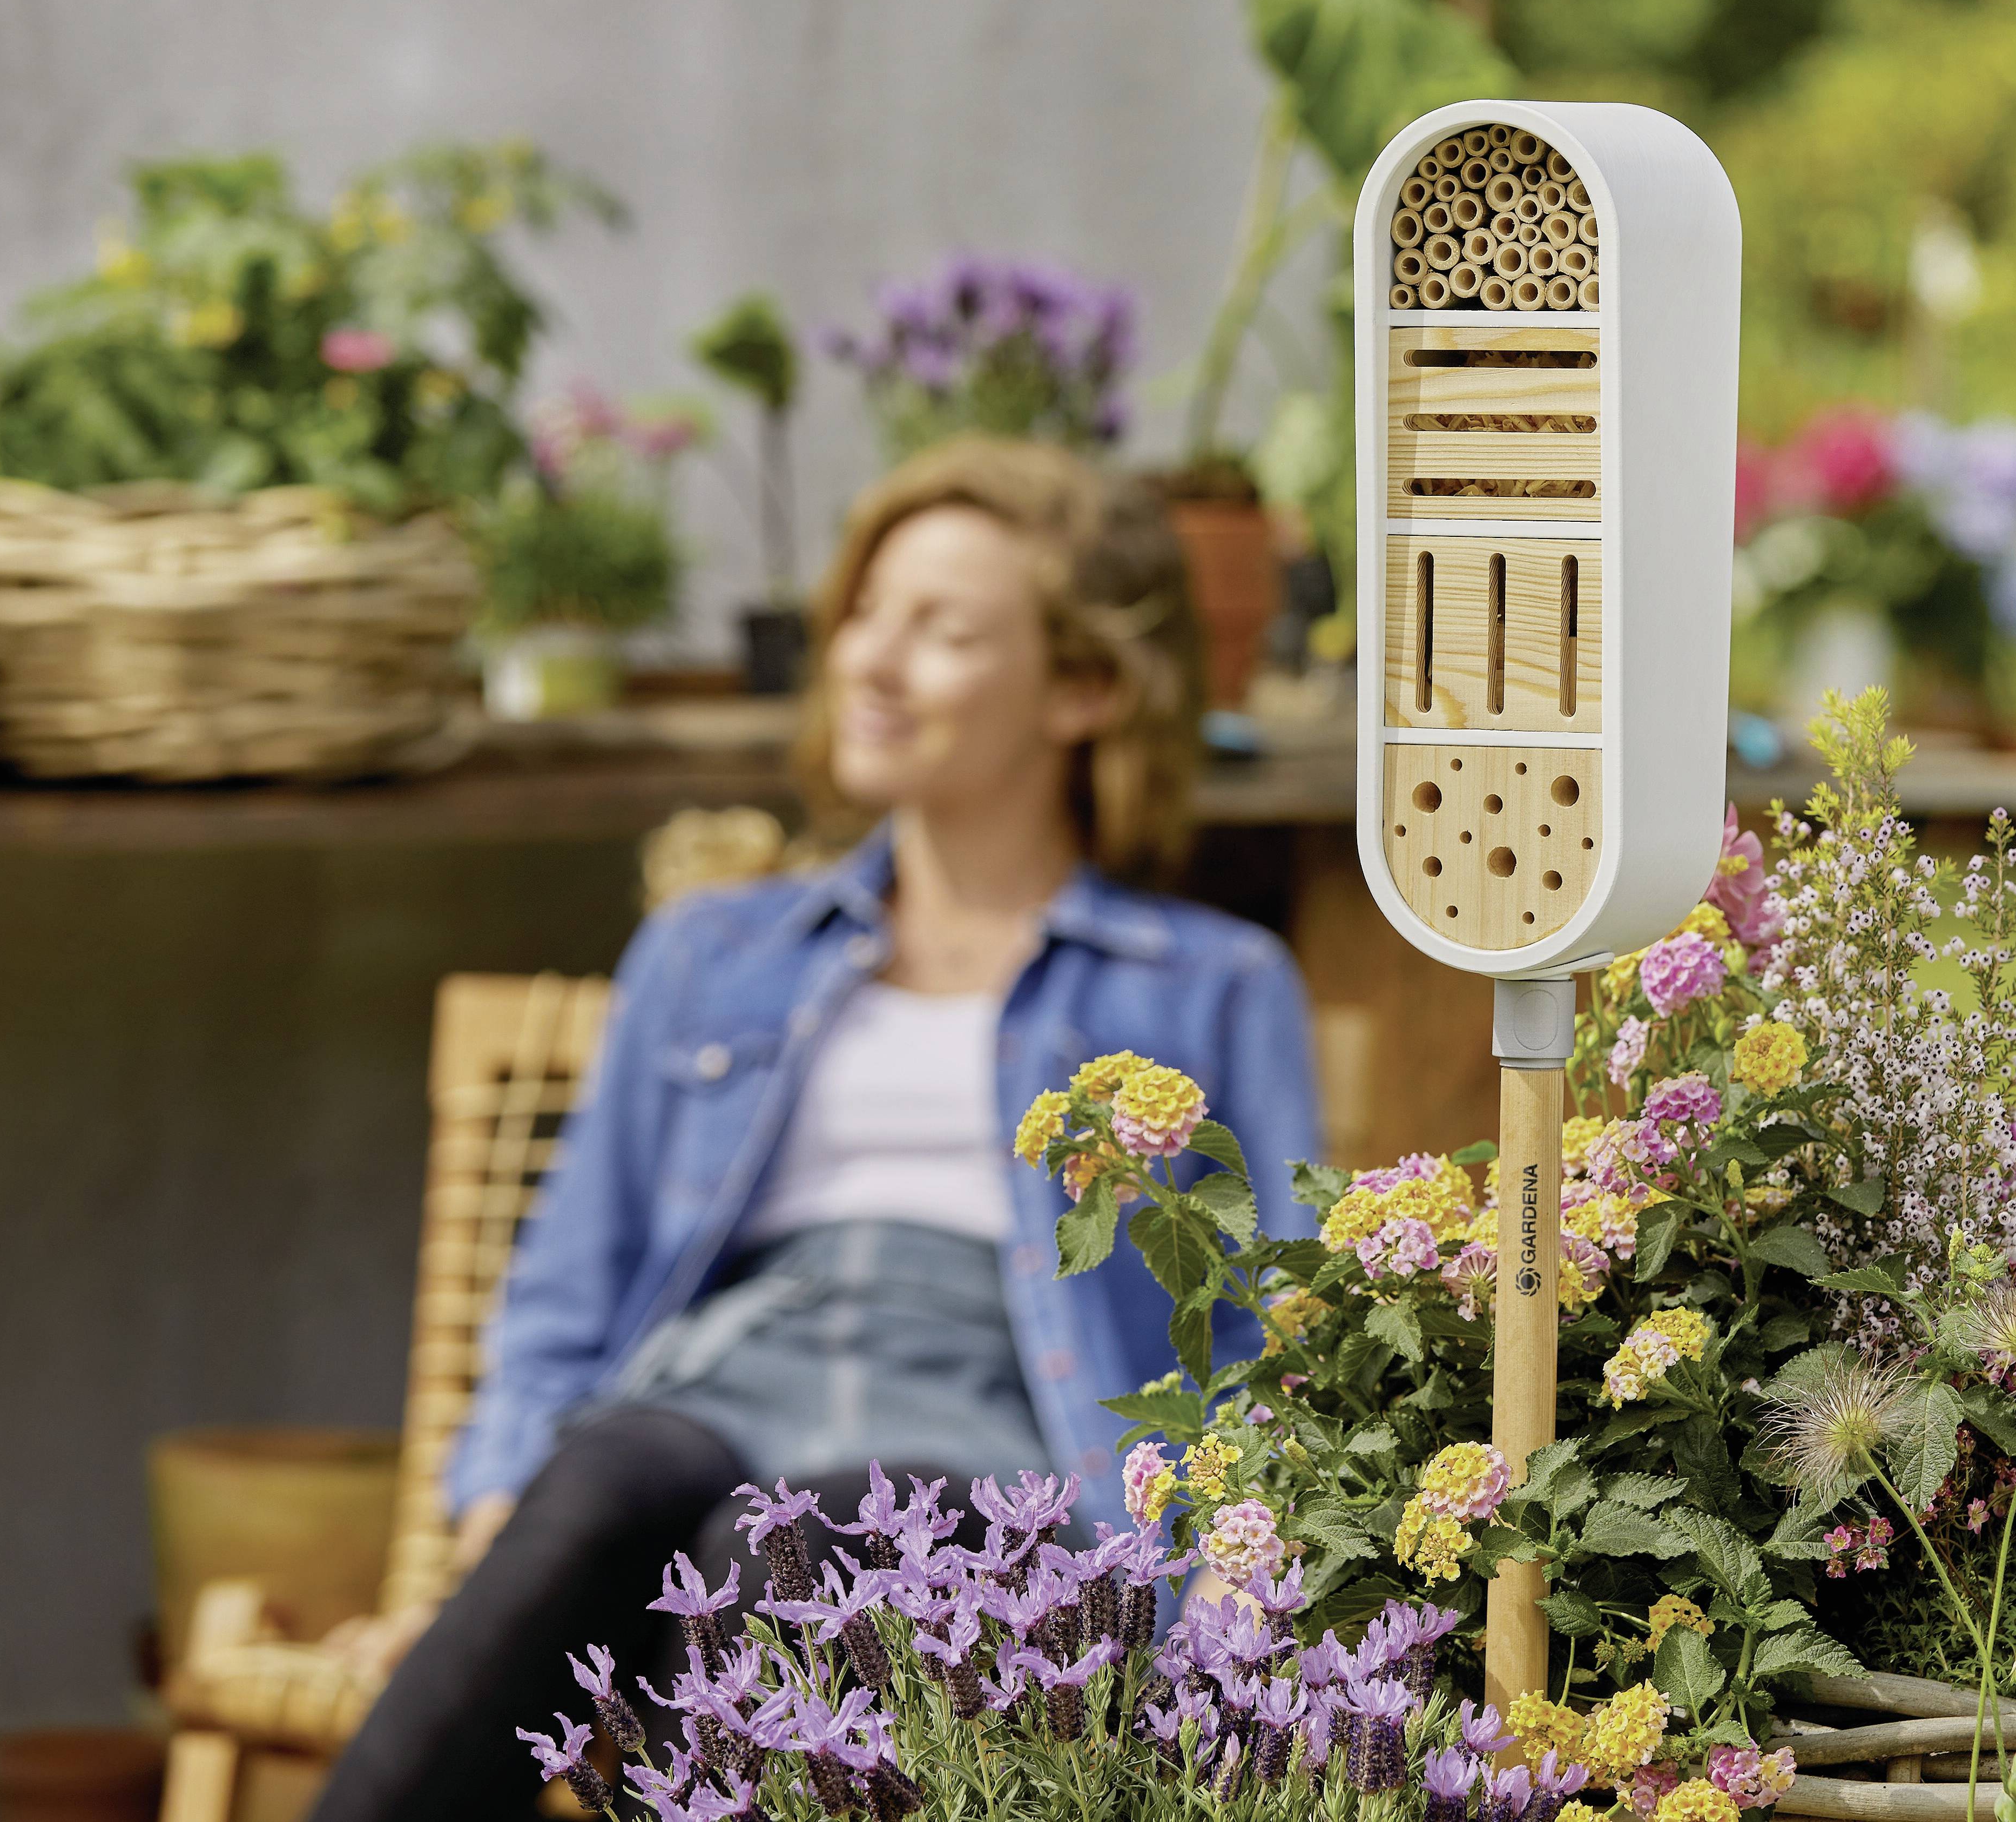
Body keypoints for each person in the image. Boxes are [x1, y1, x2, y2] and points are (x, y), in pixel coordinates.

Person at [315, 438, 1320, 1820]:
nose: (870, 658)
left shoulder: (1208, 984)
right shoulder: (712, 950)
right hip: (714, 1385)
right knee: (616, 1471)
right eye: (865, 611)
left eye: (943, 629)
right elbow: (569, 1287)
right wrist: (484, 1589)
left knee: (783, 1543)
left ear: (1083, 688)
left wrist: (1228, 1585)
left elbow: (1277, 1335)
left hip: (996, 1440)